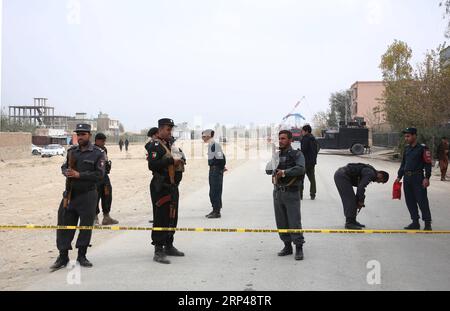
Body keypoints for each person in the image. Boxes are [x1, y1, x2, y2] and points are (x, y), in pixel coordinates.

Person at [50, 124, 106, 271]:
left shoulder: (98, 153)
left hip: (88, 195)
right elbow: (64, 166)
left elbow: (100, 175)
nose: (80, 137)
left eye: (83, 134)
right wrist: (66, 171)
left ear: (89, 135)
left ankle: (82, 255)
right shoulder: (72, 151)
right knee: (63, 224)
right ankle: (63, 256)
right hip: (70, 194)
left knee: (86, 226)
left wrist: (79, 175)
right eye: (78, 134)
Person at [146, 118, 185, 264]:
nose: (170, 132)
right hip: (160, 186)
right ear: (160, 129)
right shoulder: (155, 145)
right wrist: (171, 161)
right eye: (168, 129)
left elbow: (179, 156)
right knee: (161, 217)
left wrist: (180, 159)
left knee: (172, 216)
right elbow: (152, 165)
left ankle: (169, 244)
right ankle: (158, 249)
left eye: (171, 129)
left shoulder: (169, 144)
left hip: (172, 185)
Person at [265, 130, 306, 261]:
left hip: (291, 192)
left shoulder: (297, 154)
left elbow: (301, 168)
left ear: (290, 140)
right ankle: (287, 246)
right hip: (278, 193)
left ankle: (298, 247)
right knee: (281, 221)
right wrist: (273, 160)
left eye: (283, 138)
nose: (281, 141)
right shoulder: (277, 155)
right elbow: (267, 170)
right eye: (280, 138)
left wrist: (284, 172)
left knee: (294, 221)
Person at [396, 128, 433, 231]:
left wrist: (426, 178)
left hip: (418, 177)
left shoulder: (423, 148)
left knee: (422, 200)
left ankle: (427, 223)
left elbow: (428, 163)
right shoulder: (407, 149)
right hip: (407, 178)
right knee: (410, 201)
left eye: (408, 136)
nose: (406, 138)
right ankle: (415, 222)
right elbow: (403, 164)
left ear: (414, 136)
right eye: (405, 136)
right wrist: (399, 176)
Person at [334, 163, 390, 230]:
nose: (378, 182)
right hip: (342, 176)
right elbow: (361, 187)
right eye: (381, 181)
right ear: (380, 174)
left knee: (353, 200)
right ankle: (349, 223)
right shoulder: (371, 174)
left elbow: (360, 186)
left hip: (342, 175)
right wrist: (360, 201)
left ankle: (353, 221)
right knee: (350, 199)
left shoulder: (370, 172)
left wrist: (359, 200)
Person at [94, 133, 119, 226]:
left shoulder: (104, 149)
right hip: (96, 178)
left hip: (104, 177)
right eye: (102, 141)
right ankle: (94, 217)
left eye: (104, 141)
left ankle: (106, 216)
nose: (104, 143)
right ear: (97, 140)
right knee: (95, 197)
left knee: (107, 195)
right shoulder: (92, 150)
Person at [202, 129, 227, 219]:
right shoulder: (211, 145)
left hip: (216, 170)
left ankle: (217, 212)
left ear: (209, 136)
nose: (202, 138)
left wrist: (221, 167)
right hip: (213, 170)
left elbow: (221, 157)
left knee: (215, 191)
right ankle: (215, 210)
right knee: (213, 191)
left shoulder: (215, 145)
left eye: (204, 136)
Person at [300, 124, 318, 200]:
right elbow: (317, 149)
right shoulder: (314, 139)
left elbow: (304, 150)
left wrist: (298, 152)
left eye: (302, 131)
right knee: (312, 179)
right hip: (312, 162)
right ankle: (312, 194)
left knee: (300, 178)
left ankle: (300, 195)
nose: (302, 132)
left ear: (306, 131)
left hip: (305, 162)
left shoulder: (305, 138)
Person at [145, 127, 160, 224]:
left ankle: (158, 219)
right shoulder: (155, 143)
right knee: (155, 199)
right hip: (156, 175)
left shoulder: (158, 144)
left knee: (158, 199)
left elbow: (148, 147)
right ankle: (157, 218)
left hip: (160, 176)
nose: (151, 139)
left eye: (152, 136)